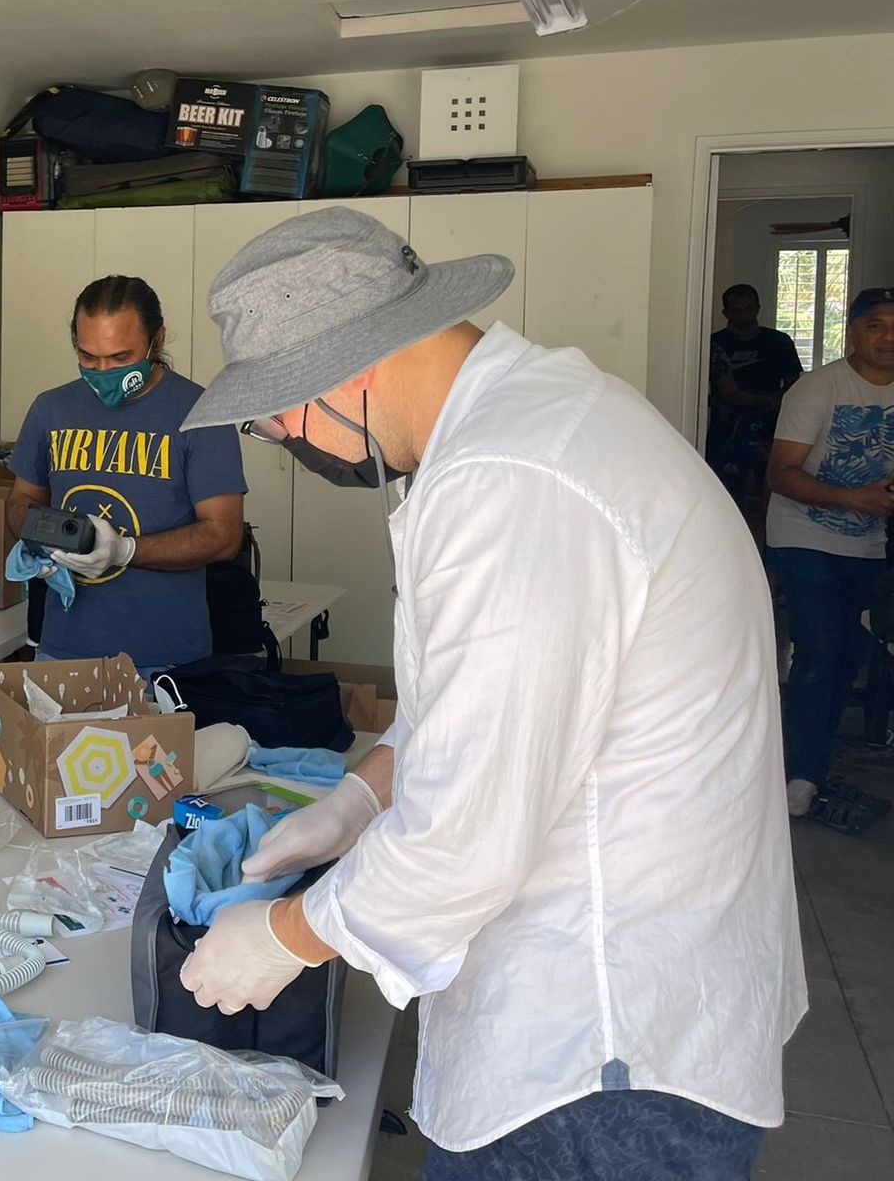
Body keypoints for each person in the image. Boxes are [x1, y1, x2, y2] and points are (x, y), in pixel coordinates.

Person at [179, 209, 804, 1179]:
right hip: (629, 1011)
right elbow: (491, 707)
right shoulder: (546, 420)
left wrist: (287, 937)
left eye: (273, 416)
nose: (280, 438)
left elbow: (468, 838)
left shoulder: (513, 481)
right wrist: (362, 797)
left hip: (597, 1059)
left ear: (344, 374)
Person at [4, 276, 245, 674]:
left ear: (158, 340)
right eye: (88, 357)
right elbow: (19, 500)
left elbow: (223, 536)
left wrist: (125, 551)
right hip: (62, 650)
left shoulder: (202, 413)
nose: (103, 371)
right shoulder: (50, 409)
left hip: (167, 660)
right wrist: (36, 539)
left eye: (120, 358)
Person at [766, 285, 894, 825]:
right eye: (876, 325)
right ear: (853, 331)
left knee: (851, 655)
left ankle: (823, 751)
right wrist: (852, 498)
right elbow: (780, 475)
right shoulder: (816, 389)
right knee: (820, 652)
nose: (888, 338)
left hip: (875, 543)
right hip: (805, 536)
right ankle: (801, 775)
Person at [707, 283, 802, 509]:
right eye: (737, 310)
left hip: (771, 426)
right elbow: (724, 391)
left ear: (758, 308)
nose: (744, 316)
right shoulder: (713, 345)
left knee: (772, 492)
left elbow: (794, 385)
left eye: (749, 308)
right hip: (726, 427)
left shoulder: (778, 342)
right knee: (723, 494)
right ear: (726, 313)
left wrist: (772, 402)